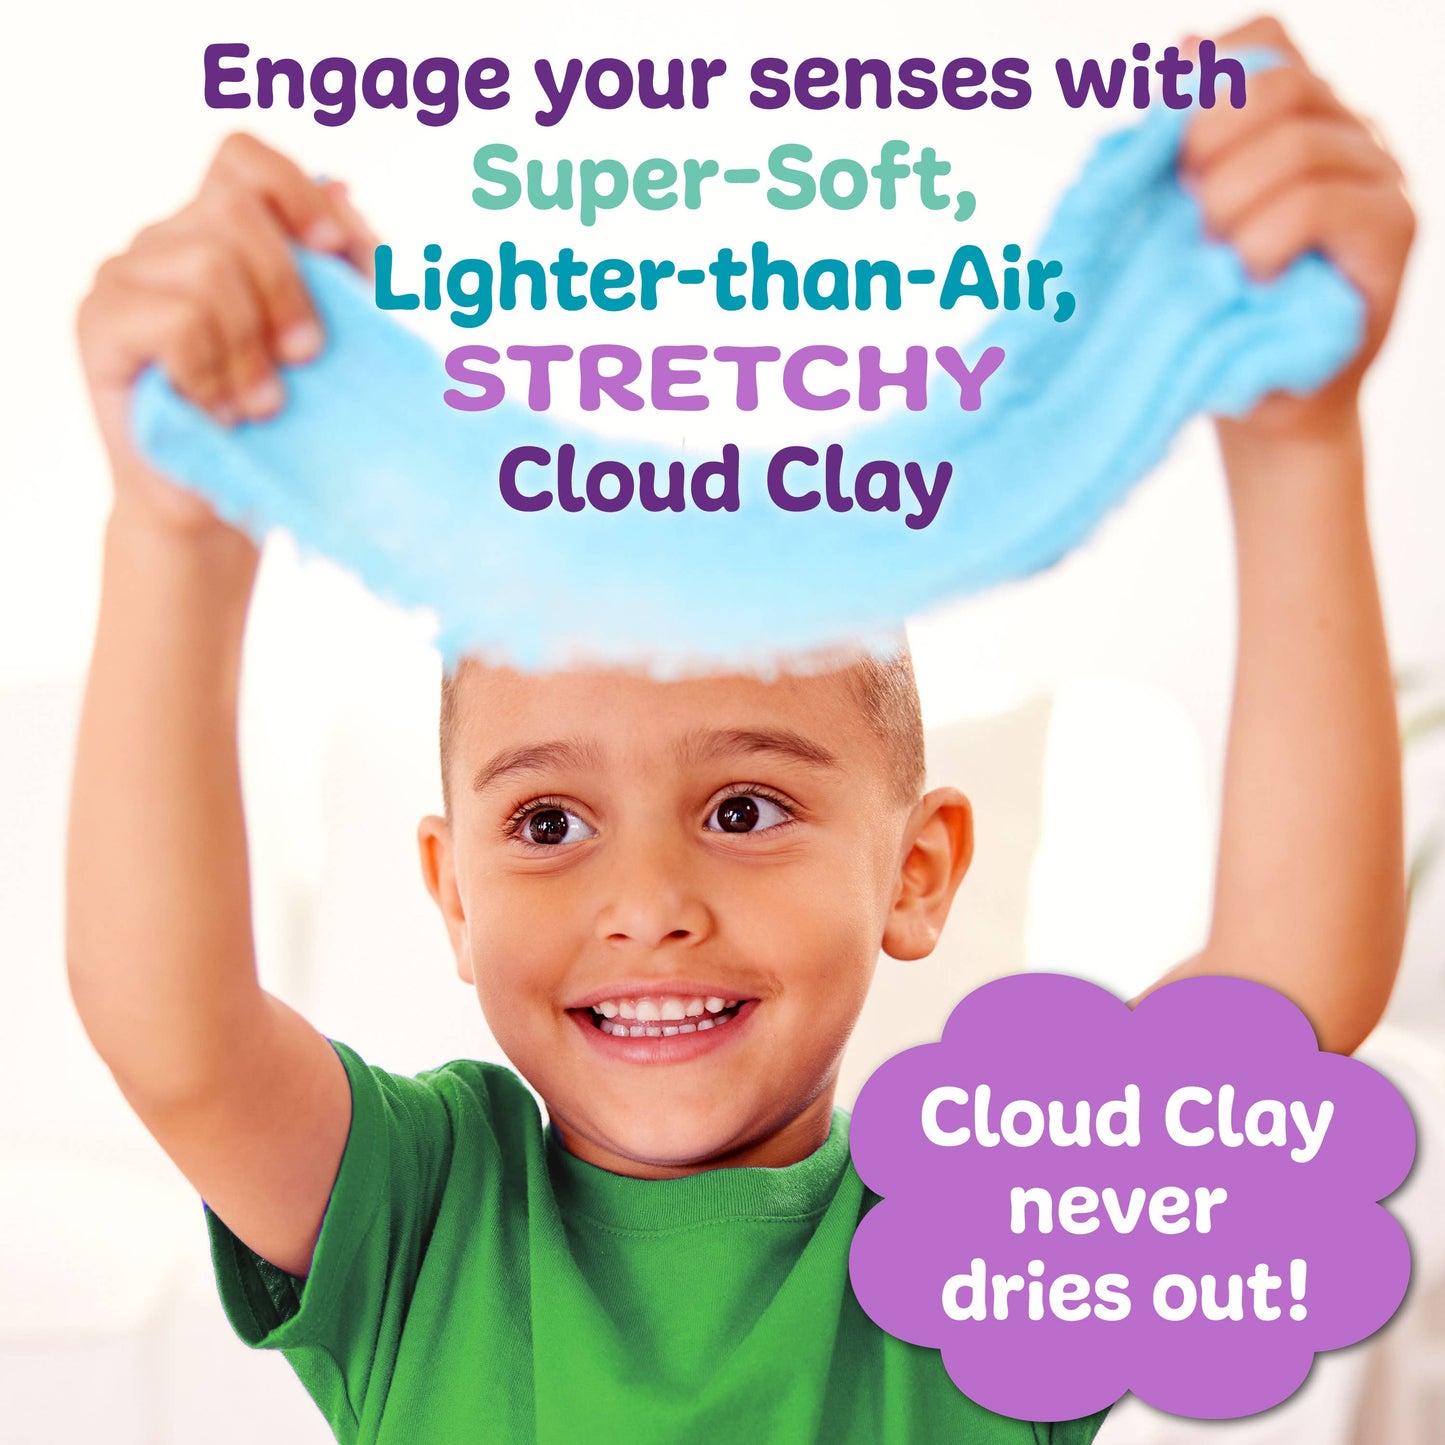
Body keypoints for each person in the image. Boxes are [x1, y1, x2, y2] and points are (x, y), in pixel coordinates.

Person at [66, 16, 1413, 1444]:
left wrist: (1294, 442)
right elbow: (175, 1032)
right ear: (453, 894)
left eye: (744, 808)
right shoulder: (427, 1208)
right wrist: (175, 538)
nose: (649, 903)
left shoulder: (997, 1233)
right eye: (548, 823)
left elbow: (1283, 996)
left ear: (917, 871)